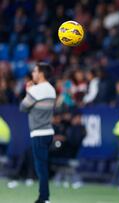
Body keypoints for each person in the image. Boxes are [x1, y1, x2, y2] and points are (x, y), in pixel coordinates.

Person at [20, 62, 56, 203]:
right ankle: (44, 196)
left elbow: (23, 107)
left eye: (35, 71)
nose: (33, 74)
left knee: (40, 167)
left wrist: (28, 91)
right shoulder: (52, 89)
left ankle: (44, 197)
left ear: (41, 73)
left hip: (39, 133)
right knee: (43, 165)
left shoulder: (36, 90)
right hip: (48, 132)